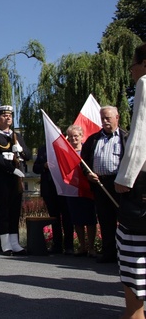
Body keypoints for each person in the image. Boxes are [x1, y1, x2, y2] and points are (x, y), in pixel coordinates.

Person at [114, 43, 146, 319]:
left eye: (134, 63)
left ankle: (134, 314)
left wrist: (125, 178)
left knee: (134, 248)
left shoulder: (145, 83)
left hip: (143, 184)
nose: (131, 69)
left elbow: (140, 133)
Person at [81, 105, 127, 263]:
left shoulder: (126, 137)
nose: (105, 121)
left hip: (120, 185)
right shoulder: (93, 139)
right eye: (102, 118)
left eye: (108, 118)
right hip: (100, 184)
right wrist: (88, 174)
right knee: (105, 220)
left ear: (117, 117)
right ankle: (109, 253)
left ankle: (125, 253)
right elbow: (83, 161)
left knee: (125, 220)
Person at [0, 105, 30, 256]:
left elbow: (28, 155)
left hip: (15, 180)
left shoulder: (16, 136)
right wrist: (11, 169)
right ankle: (4, 244)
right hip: (1, 179)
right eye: (4, 115)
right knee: (3, 211)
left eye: (10, 115)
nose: (8, 117)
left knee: (14, 211)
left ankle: (15, 242)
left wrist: (20, 150)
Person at [33, 144, 74, 255]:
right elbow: (35, 168)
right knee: (54, 218)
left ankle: (69, 246)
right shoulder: (42, 149)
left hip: (63, 188)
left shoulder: (65, 147)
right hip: (49, 189)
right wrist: (44, 165)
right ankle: (57, 246)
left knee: (67, 218)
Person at [64, 125, 97, 257]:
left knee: (90, 219)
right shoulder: (66, 152)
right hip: (73, 189)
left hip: (88, 188)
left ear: (81, 136)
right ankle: (82, 247)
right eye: (71, 136)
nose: (74, 138)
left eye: (76, 135)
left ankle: (92, 248)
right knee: (77, 219)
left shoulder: (87, 150)